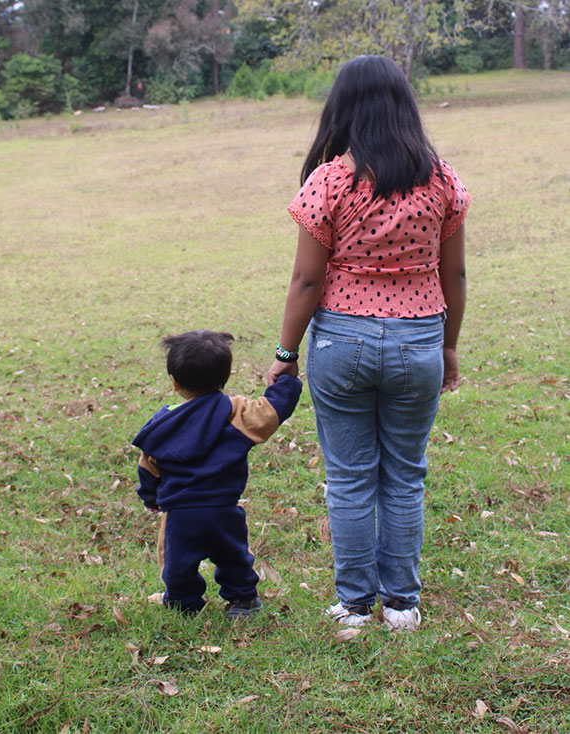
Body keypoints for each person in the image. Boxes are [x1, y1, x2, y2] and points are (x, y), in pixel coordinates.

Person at [267, 55, 470, 631]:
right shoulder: (442, 179)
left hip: (341, 343)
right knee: (405, 475)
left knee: (351, 477)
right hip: (418, 341)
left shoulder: (330, 180)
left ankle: (354, 606)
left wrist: (284, 356)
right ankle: (402, 605)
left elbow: (306, 280)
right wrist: (448, 346)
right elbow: (454, 277)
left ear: (343, 108)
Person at [133, 330, 302, 618]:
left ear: (173, 381)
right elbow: (273, 410)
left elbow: (148, 466)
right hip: (224, 509)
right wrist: (286, 380)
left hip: (180, 513)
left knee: (176, 563)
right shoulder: (236, 412)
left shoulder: (163, 424)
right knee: (234, 556)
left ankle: (183, 603)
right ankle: (243, 601)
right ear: (225, 377)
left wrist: (150, 497)